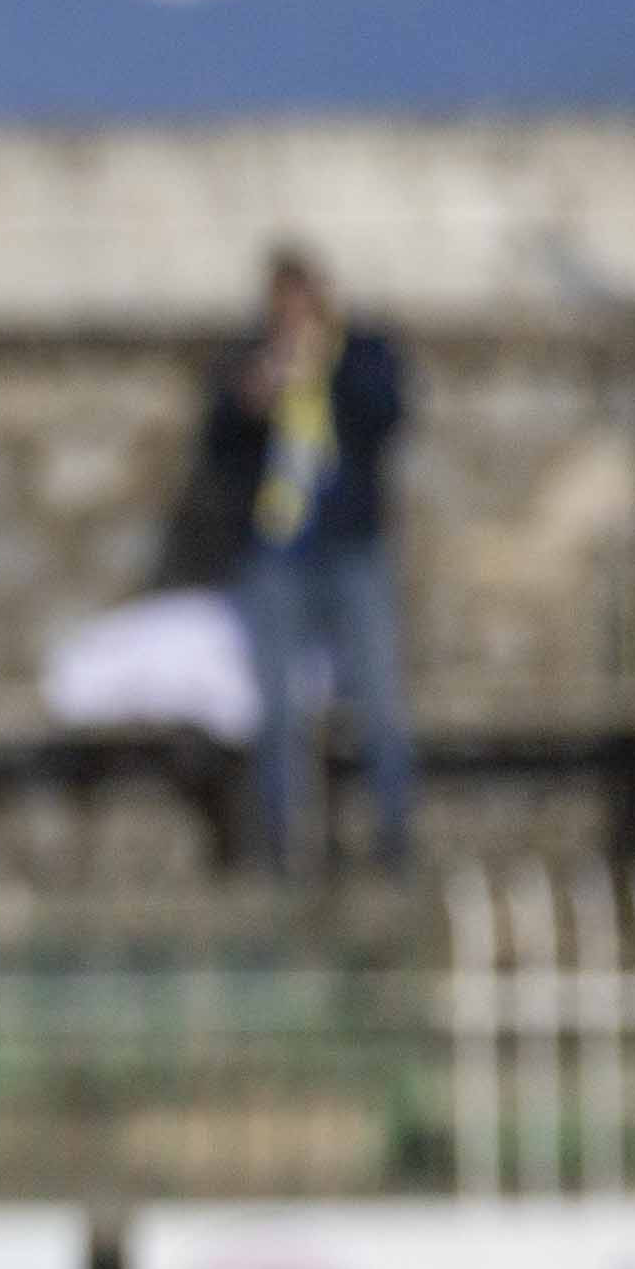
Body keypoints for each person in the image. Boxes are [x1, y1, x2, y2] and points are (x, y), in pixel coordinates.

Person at [211, 244, 415, 876]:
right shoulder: (247, 362)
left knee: (380, 700)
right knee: (277, 710)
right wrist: (255, 401)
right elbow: (218, 450)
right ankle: (280, 850)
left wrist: (327, 370)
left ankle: (393, 843)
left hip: (352, 550)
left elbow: (390, 416)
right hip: (275, 556)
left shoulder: (362, 352)